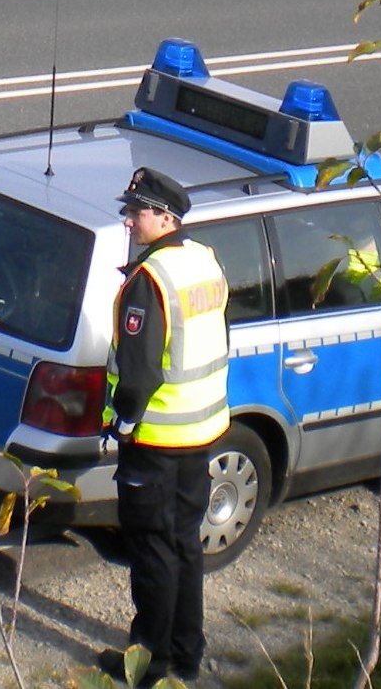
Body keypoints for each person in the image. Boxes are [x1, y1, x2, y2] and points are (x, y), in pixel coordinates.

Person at [98, 166, 230, 686]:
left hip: (156, 440)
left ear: (166, 217)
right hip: (202, 432)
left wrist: (123, 422)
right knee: (183, 544)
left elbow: (140, 370)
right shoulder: (204, 260)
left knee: (152, 551)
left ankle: (147, 661)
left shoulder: (149, 279)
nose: (128, 220)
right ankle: (186, 653)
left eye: (137, 211)